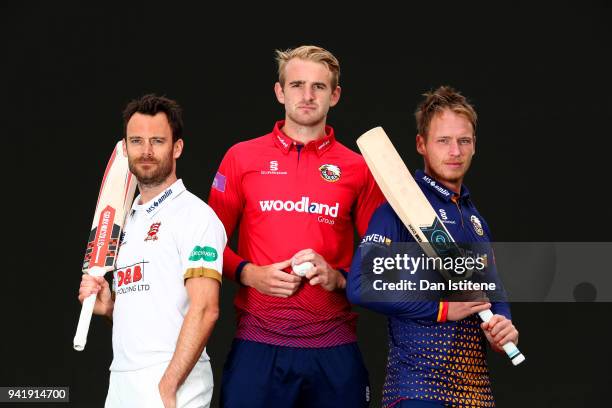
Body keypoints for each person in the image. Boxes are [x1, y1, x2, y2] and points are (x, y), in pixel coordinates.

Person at [208, 45, 385, 407]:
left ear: (334, 95)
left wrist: (337, 276)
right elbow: (205, 248)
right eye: (297, 85)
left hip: (334, 346)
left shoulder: (358, 168)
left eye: (319, 87)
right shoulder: (241, 157)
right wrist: (248, 273)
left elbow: (382, 259)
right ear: (279, 91)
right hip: (258, 343)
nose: (307, 96)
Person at [347, 86, 520, 407]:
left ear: (474, 147)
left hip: (475, 392)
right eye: (443, 140)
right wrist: (441, 309)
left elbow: (493, 290)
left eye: (463, 141)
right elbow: (361, 286)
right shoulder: (395, 211)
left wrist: (504, 326)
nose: (455, 151)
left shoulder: (475, 219)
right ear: (421, 145)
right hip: (418, 389)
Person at [78, 94, 226, 408]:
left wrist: (169, 385)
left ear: (177, 148)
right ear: (125, 147)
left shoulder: (195, 216)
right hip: (121, 380)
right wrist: (111, 308)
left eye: (157, 141)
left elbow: (205, 309)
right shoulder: (125, 221)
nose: (146, 151)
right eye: (137, 141)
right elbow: (151, 310)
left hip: (172, 381)